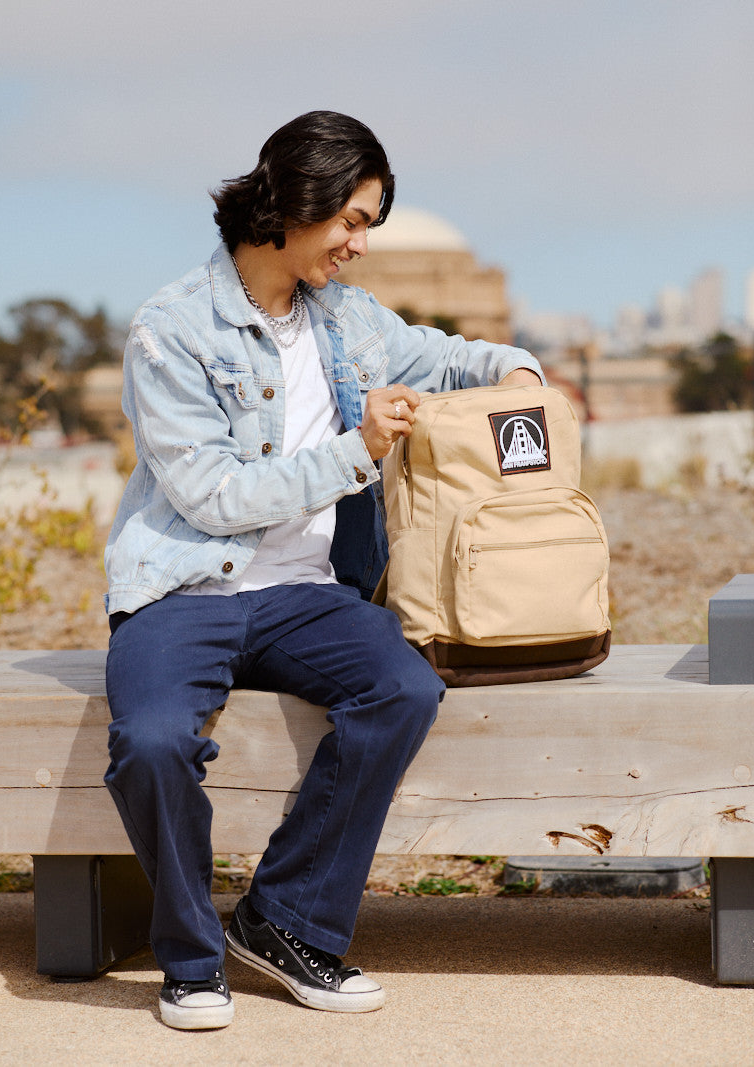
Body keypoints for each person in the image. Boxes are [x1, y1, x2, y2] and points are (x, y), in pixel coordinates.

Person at [103, 110, 543, 1031]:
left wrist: (522, 373)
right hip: (186, 587)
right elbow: (211, 496)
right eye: (350, 220)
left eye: (371, 224)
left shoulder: (349, 320)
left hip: (307, 595)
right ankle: (189, 960)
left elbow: (452, 357)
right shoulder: (172, 329)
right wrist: (355, 449)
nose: (360, 245)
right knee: (150, 742)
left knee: (403, 690)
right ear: (291, 203)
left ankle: (284, 918)